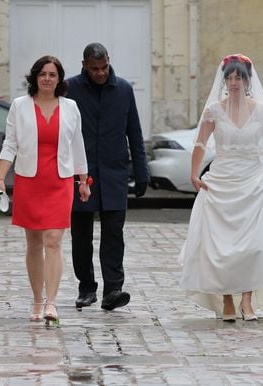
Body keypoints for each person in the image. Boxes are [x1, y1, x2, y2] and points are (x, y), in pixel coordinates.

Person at [178, 54, 263, 321]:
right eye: (230, 77)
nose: (234, 82)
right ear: (224, 80)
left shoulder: (261, 111)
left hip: (253, 181)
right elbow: (200, 145)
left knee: (256, 244)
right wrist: (194, 174)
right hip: (222, 181)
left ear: (248, 80)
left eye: (239, 77)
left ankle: (247, 300)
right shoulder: (214, 110)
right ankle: (227, 299)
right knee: (220, 246)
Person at [0, 55, 90, 324]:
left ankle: (52, 303)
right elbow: (9, 145)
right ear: (35, 77)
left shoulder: (71, 107)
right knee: (34, 243)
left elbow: (78, 145)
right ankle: (36, 299)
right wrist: (0, 179)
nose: (47, 78)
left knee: (54, 241)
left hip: (60, 182)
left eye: (53, 74)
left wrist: (83, 181)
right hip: (29, 181)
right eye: (43, 74)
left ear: (60, 80)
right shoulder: (19, 106)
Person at [66, 42, 150, 311]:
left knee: (114, 233)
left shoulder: (124, 89)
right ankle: (86, 288)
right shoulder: (70, 89)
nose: (101, 73)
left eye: (104, 67)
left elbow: (134, 133)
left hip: (114, 174)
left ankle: (113, 289)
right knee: (81, 235)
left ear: (109, 61)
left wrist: (142, 171)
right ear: (84, 66)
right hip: (80, 175)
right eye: (94, 69)